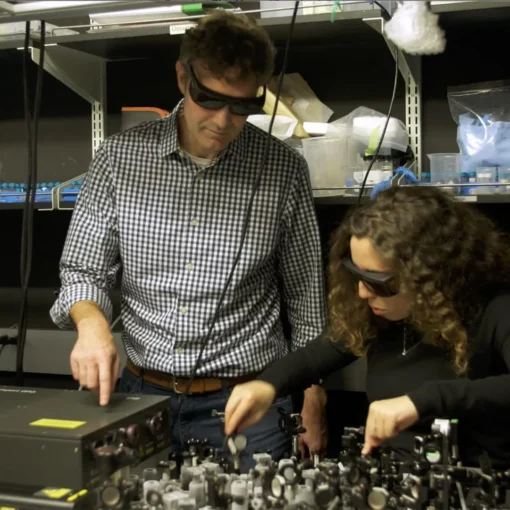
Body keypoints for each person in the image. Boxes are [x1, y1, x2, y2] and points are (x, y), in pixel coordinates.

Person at [50, 11, 328, 466]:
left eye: (241, 106)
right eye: (210, 99)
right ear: (183, 78)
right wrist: (93, 325)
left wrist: (314, 399)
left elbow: (306, 298)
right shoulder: (120, 159)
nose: (223, 120)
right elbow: (83, 269)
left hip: (248, 404)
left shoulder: (283, 170)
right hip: (141, 397)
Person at [225, 185, 510, 468]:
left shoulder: (495, 309)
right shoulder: (380, 315)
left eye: (378, 282)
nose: (362, 292)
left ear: (431, 274)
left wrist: (424, 400)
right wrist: (266, 384)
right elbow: (316, 356)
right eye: (356, 274)